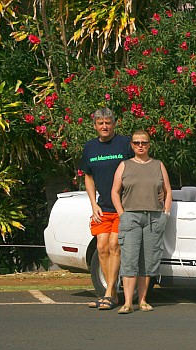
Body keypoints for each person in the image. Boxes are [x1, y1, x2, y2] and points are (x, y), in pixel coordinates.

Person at [111, 130, 172, 314]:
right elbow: (115, 191)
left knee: (148, 261)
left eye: (144, 142)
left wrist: (165, 214)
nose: (140, 145)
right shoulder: (124, 165)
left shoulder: (158, 165)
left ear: (149, 144)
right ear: (132, 145)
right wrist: (122, 214)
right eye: (137, 142)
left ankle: (143, 300)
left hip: (154, 217)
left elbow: (168, 191)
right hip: (131, 217)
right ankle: (128, 302)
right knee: (129, 260)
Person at [80, 108, 133, 310]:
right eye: (100, 123)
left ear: (114, 124)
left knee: (114, 245)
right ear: (95, 126)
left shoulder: (124, 144)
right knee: (101, 247)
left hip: (122, 207)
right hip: (102, 208)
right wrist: (93, 204)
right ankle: (110, 294)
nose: (104, 126)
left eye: (108, 122)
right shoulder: (90, 147)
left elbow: (136, 168)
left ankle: (110, 293)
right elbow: (88, 176)